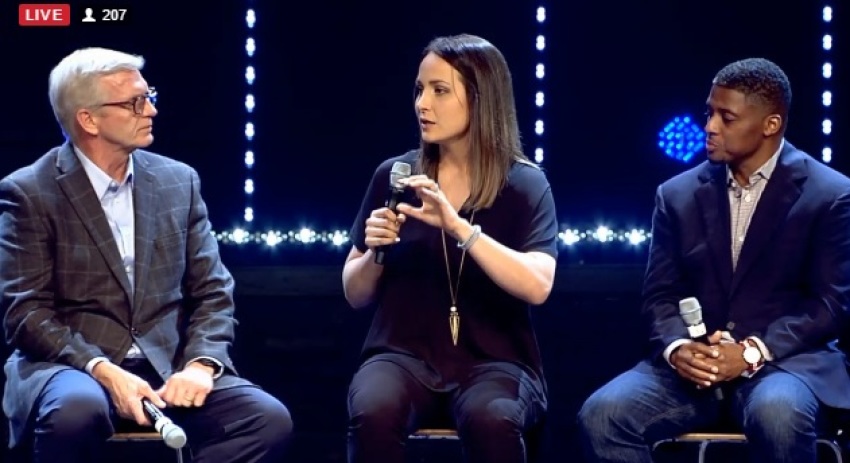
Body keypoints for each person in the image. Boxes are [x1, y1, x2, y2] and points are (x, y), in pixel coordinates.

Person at [0, 47, 292, 463]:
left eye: (148, 95)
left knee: (266, 419)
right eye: (135, 102)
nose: (151, 110)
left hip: (165, 366)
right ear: (89, 119)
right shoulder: (29, 191)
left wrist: (200, 365)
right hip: (72, 368)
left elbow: (213, 292)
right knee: (75, 412)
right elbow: (26, 314)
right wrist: (102, 369)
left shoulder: (178, 181)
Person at [577, 57, 850, 463]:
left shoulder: (829, 193)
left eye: (726, 116)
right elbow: (661, 295)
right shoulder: (676, 194)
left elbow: (832, 304)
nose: (710, 126)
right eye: (709, 112)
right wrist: (679, 347)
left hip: (786, 367)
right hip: (695, 369)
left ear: (770, 125)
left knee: (776, 414)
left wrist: (752, 351)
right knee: (602, 415)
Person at [343, 34, 559, 463]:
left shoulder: (524, 185)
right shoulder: (396, 176)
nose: (423, 104)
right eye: (420, 90)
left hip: (496, 361)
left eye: (440, 91)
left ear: (482, 98)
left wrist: (458, 226)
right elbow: (354, 292)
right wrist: (373, 252)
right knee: (373, 408)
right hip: (401, 355)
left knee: (491, 418)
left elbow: (538, 286)